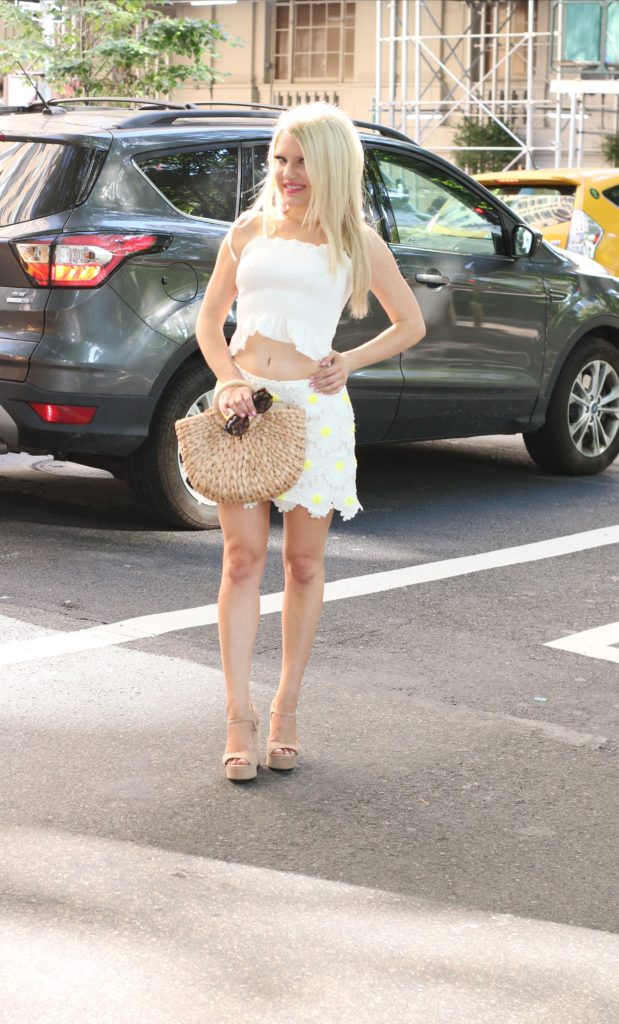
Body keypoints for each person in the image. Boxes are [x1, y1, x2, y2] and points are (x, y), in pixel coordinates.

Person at [196, 102, 425, 781]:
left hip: (316, 411)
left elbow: (408, 322)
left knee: (301, 564)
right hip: (246, 405)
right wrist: (228, 379)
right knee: (241, 561)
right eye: (279, 160)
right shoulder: (246, 230)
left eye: (300, 162)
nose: (287, 174)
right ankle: (237, 717)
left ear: (328, 166)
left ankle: (285, 709)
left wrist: (348, 360)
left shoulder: (355, 240)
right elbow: (210, 322)